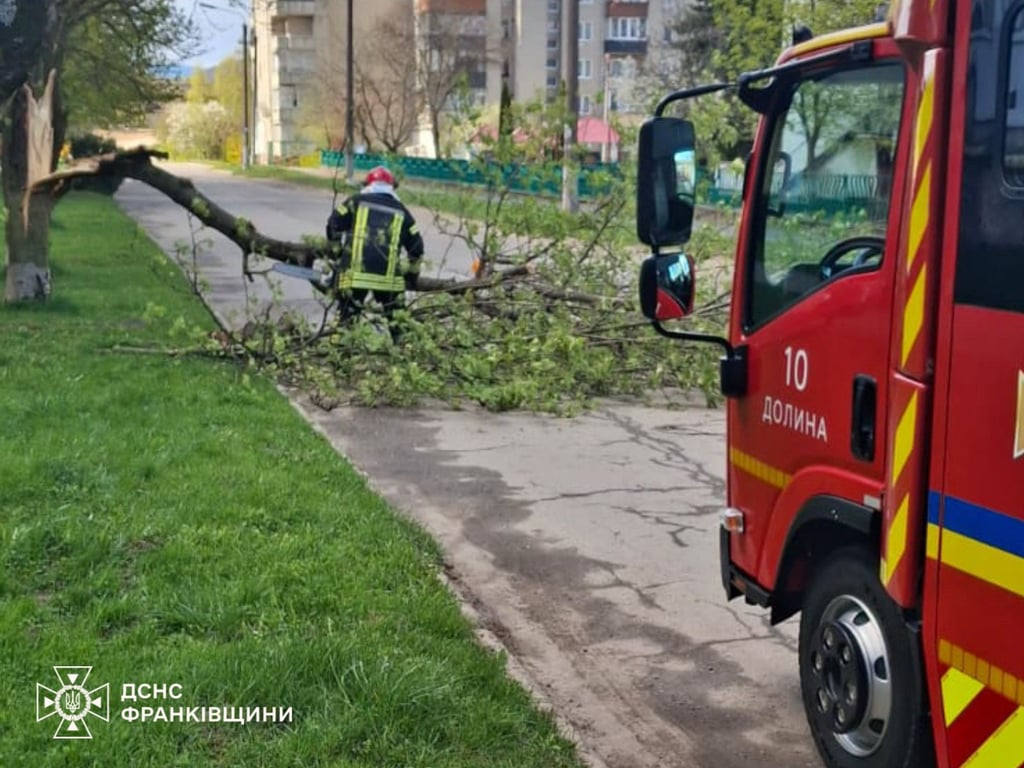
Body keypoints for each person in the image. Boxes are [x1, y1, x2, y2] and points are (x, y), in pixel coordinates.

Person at [325, 166, 424, 341]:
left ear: (368, 185)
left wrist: (337, 254)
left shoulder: (356, 201)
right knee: (399, 325)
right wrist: (411, 277)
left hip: (354, 276)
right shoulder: (402, 211)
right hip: (389, 281)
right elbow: (417, 248)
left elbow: (333, 224)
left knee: (345, 323)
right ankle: (406, 352)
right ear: (392, 187)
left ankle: (336, 354)